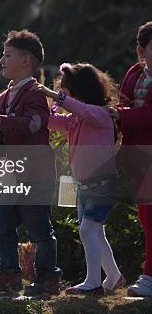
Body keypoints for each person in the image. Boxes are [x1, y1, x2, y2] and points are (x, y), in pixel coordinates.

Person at [0, 30, 62, 297]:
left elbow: (34, 124)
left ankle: (48, 278)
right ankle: (9, 273)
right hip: (11, 175)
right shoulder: (4, 96)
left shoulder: (35, 93)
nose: (1, 60)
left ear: (26, 61)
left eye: (7, 55)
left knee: (39, 227)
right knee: (0, 221)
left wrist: (0, 121)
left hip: (35, 174)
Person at [40, 63, 124, 295]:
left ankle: (93, 282)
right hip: (83, 186)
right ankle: (114, 276)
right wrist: (54, 105)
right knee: (96, 232)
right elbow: (50, 122)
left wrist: (56, 96)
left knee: (88, 231)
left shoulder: (101, 115)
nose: (66, 97)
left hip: (102, 184)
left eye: (69, 92)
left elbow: (83, 110)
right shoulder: (75, 121)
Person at [109, 21, 152, 297]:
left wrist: (122, 115)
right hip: (137, 156)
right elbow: (122, 104)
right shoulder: (135, 73)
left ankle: (149, 275)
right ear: (140, 49)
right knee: (145, 216)